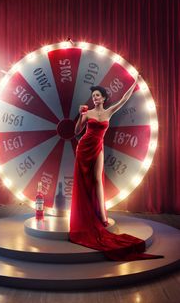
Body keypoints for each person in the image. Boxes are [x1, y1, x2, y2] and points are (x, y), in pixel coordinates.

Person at [69, 76, 163, 261]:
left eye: (98, 95)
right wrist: (81, 115)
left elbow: (124, 100)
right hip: (84, 147)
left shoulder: (109, 112)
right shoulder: (87, 113)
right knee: (84, 181)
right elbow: (76, 132)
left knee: (97, 180)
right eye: (93, 96)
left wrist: (134, 83)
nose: (95, 98)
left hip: (98, 147)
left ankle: (102, 215)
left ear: (103, 98)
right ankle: (92, 215)